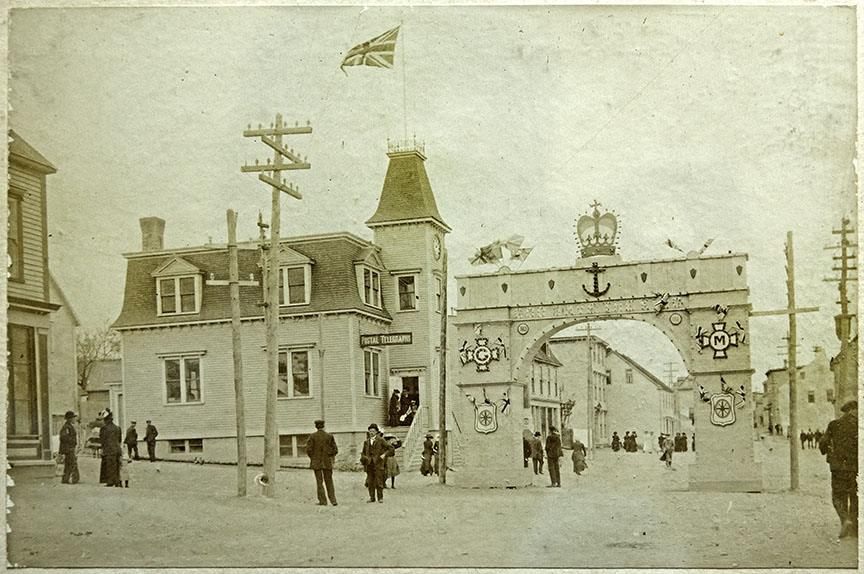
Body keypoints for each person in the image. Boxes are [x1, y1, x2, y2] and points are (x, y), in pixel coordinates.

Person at [819, 400, 858, 538]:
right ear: (853, 410)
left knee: (838, 496)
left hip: (838, 468)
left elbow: (823, 444)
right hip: (856, 468)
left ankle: (845, 519)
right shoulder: (859, 425)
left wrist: (825, 449)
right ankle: (855, 530)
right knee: (855, 497)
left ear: (846, 411)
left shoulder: (834, 424)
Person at [306, 419, 338, 506]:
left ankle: (323, 501)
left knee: (319, 482)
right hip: (327, 463)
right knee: (329, 481)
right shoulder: (329, 436)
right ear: (323, 426)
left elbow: (309, 450)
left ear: (316, 426)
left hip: (316, 463)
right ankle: (333, 500)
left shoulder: (312, 437)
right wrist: (329, 455)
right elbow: (335, 450)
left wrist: (314, 458)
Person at [360, 423, 394, 503]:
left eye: (373, 431)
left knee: (379, 481)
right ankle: (372, 497)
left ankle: (380, 498)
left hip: (378, 463)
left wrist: (384, 454)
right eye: (370, 431)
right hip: (369, 464)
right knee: (370, 481)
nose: (371, 433)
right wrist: (364, 458)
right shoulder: (366, 442)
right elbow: (363, 452)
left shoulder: (381, 440)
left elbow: (390, 448)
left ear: (376, 432)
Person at [99, 410, 123, 487]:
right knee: (116, 465)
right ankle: (116, 481)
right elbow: (119, 440)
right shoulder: (117, 428)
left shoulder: (104, 428)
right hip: (117, 449)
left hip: (108, 449)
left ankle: (110, 481)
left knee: (109, 466)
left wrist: (102, 449)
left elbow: (102, 440)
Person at [58, 411, 80, 484]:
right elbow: (63, 437)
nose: (74, 419)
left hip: (69, 448)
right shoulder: (67, 427)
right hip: (68, 448)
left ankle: (66, 479)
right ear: (69, 419)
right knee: (72, 463)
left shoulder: (69, 426)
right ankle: (74, 479)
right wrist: (72, 442)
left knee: (69, 464)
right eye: (73, 418)